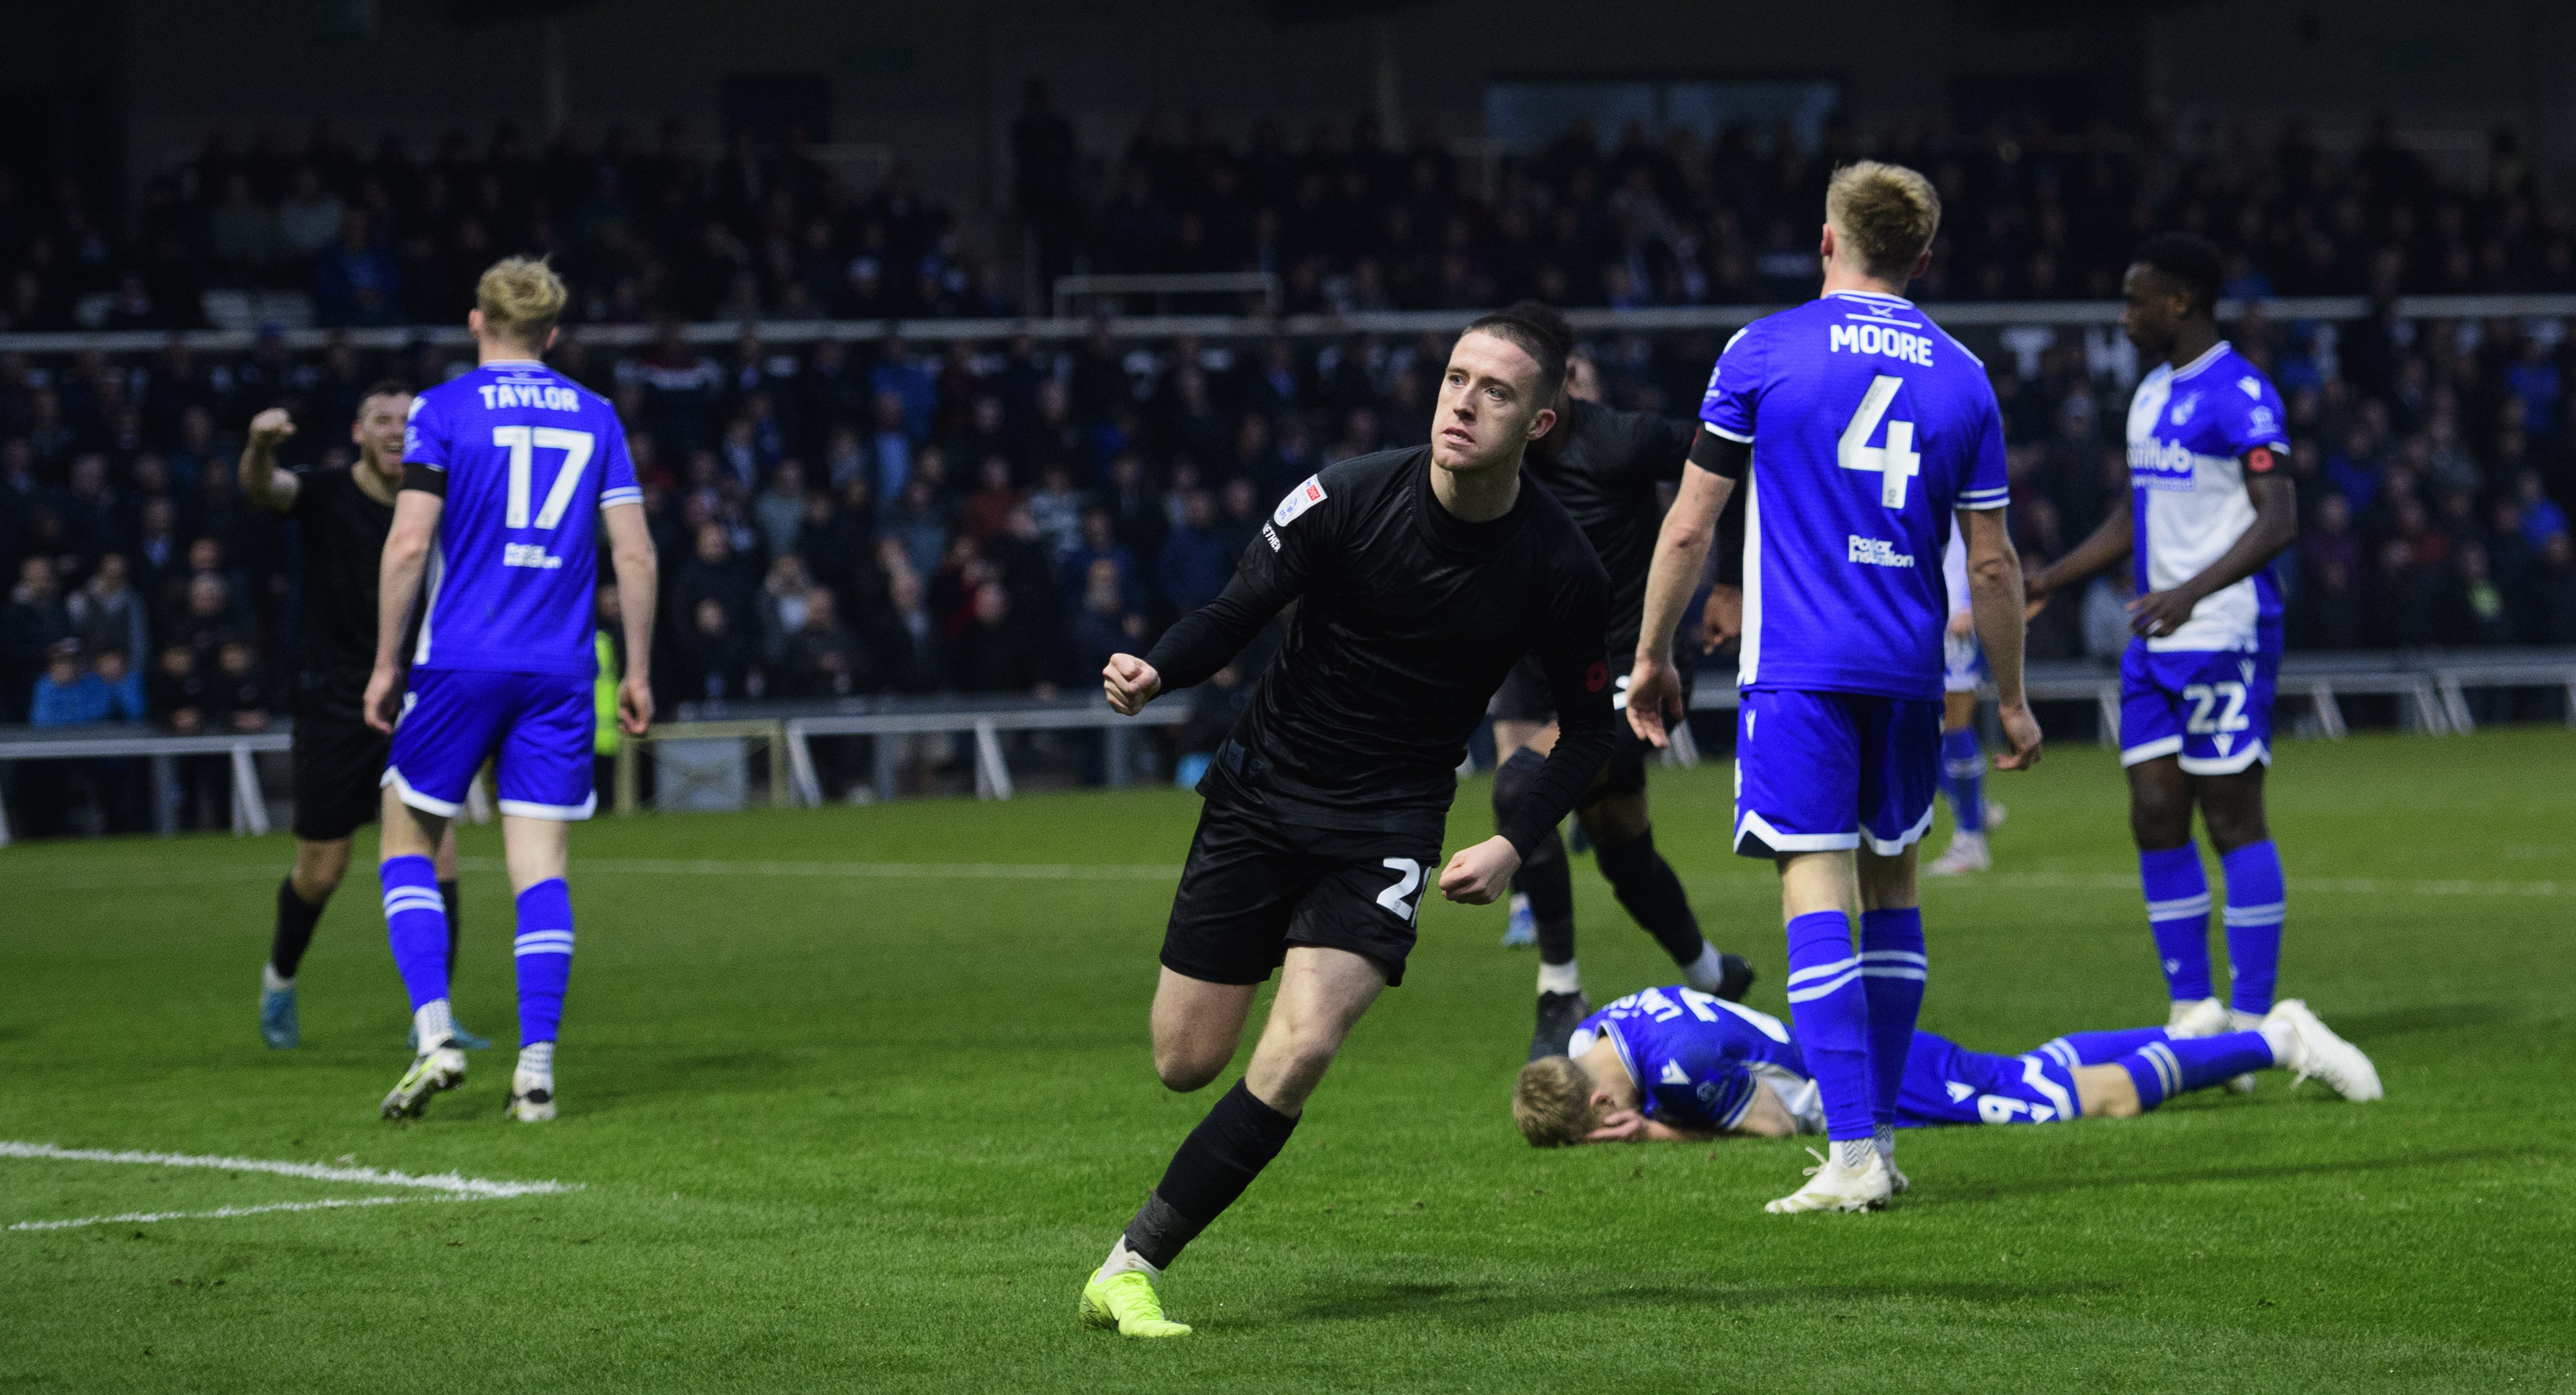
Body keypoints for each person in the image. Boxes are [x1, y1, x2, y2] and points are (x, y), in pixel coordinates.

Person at [1079, 314, 1616, 1338]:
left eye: (1495, 391)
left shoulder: (1559, 565)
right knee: (1185, 1062)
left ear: (1541, 421)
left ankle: (1131, 1263)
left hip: (1387, 824)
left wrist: (1512, 842)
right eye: (1455, 378)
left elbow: (1590, 730)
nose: (1462, 401)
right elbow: (1236, 611)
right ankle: (1279, 943)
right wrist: (1160, 667)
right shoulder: (1348, 495)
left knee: (1306, 1043)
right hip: (1262, 793)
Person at [1627, 162, 2042, 1213]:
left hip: (1801, 670)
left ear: (1826, 242)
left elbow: (1691, 521)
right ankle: (1884, 1141)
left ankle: (1852, 1154)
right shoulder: (1964, 373)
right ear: (1923, 258)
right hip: (1908, 671)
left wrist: (1651, 652)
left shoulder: (1763, 349)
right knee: (1894, 889)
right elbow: (1992, 567)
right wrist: (2011, 698)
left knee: (1816, 888)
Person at [365, 257, 656, 1124]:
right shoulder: (597, 414)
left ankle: (435, 1034)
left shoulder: (442, 410)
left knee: (405, 836)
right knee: (540, 871)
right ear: (554, 334)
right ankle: (535, 1070)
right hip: (561, 669)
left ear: (475, 322)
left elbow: (410, 545)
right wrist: (635, 669)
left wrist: (386, 664)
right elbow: (634, 554)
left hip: (461, 657)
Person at [2021, 233, 2300, 1053]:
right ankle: (2193, 1010)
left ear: (2179, 301)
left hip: (2221, 632)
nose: (2125, 314)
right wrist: (2056, 576)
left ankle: (2251, 1018)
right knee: (2151, 811)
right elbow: (2133, 512)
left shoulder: (2241, 393)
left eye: (2136, 299)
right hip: (2157, 635)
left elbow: (2278, 517)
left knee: (2231, 815)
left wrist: (2191, 592)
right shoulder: (2148, 394)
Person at [1482, 302, 1754, 1058]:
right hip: (1555, 678)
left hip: (1640, 672)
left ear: (1561, 382)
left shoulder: (1622, 439)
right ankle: (1711, 974)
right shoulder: (1489, 459)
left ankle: (1560, 991)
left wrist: (1727, 584)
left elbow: (1736, 456)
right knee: (1620, 847)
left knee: (1519, 788)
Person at [238, 388, 474, 1051]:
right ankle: (280, 978)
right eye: (383, 421)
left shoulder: (436, 498)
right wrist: (258, 444)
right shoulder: (324, 493)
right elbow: (264, 489)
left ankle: (435, 1014)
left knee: (441, 853)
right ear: (359, 431)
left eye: (407, 422)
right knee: (322, 869)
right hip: (332, 701)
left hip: (416, 698)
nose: (396, 431)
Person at [1510, 983, 2379, 1148]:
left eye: (1601, 1128)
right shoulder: (1608, 1027)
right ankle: (2203, 1041)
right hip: (1851, 1048)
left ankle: (2279, 1040)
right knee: (2027, 1070)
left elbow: (1772, 1126)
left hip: (1874, 1076)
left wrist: (1656, 1136)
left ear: (1600, 1102)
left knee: (2081, 1104)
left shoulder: (1680, 1068)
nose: (1611, 1132)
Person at [1923, 530, 2008, 875]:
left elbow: (1992, 547)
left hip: (1955, 622)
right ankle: (1974, 808)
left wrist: (1974, 606)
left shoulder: (1965, 482)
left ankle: (1971, 838)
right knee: (1912, 736)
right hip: (1917, 614)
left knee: (1955, 724)